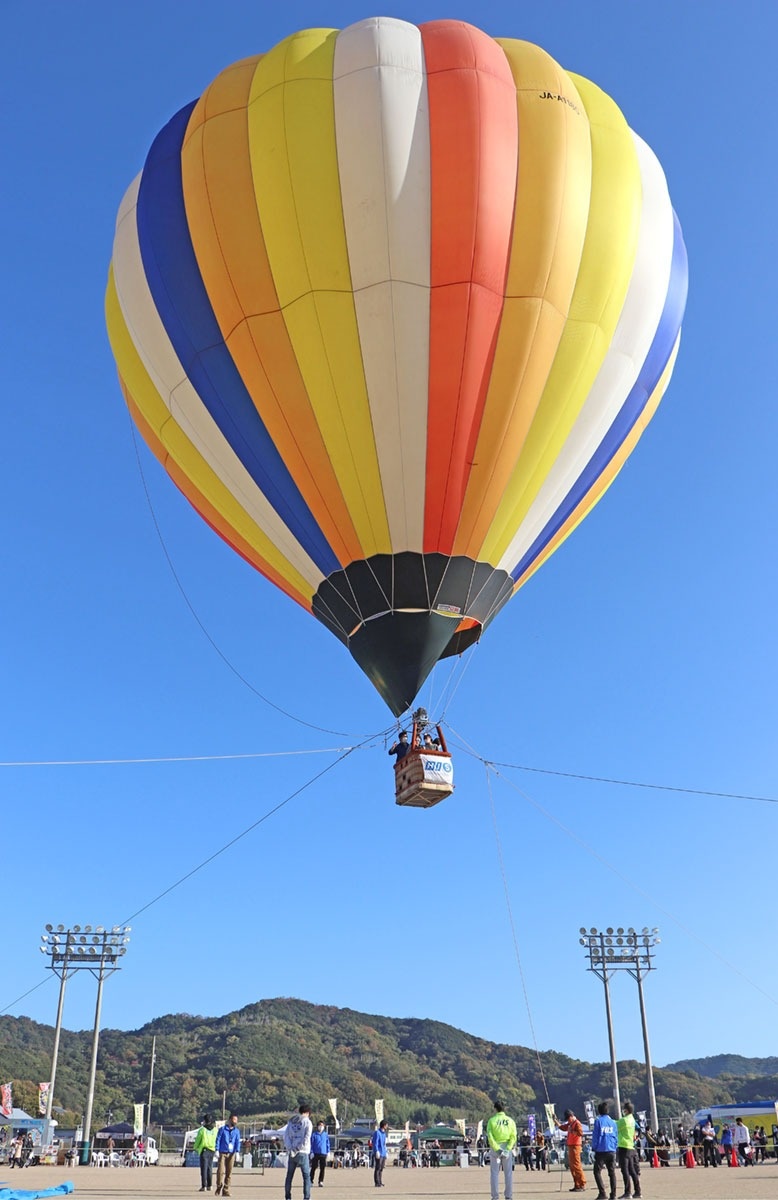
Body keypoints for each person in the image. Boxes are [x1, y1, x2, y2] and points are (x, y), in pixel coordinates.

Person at [263, 1104, 314, 1200]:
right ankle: (306, 1197)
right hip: (302, 1151)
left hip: (291, 1151)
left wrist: (290, 1148)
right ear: (307, 1113)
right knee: (306, 1176)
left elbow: (286, 1136)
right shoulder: (307, 1122)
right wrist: (298, 1148)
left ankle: (288, 1196)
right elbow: (306, 1138)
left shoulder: (291, 1121)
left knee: (289, 1175)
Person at [486, 1100, 517, 1200]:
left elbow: (490, 1137)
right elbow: (513, 1136)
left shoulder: (491, 1121)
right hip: (507, 1145)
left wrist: (497, 1149)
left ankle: (495, 1196)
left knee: (494, 1173)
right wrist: (508, 1148)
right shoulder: (510, 1121)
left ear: (495, 1109)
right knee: (508, 1173)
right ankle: (508, 1195)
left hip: (496, 1148)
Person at [591, 1100, 618, 1200]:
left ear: (599, 1111)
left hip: (601, 1150)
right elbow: (616, 1136)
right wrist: (615, 1147)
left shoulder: (598, 1121)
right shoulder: (613, 1122)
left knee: (597, 1171)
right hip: (611, 1150)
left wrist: (594, 1148)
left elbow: (596, 1136)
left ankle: (602, 1193)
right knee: (612, 1173)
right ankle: (613, 1194)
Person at [555, 1108, 586, 1193]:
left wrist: (572, 1131)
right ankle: (576, 1184)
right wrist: (556, 1121)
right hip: (571, 1146)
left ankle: (582, 1183)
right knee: (572, 1166)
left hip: (576, 1146)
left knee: (576, 1165)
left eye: (568, 1118)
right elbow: (562, 1127)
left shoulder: (577, 1123)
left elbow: (580, 1133)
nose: (568, 1120)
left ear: (572, 1116)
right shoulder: (570, 1123)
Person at [616, 1102, 641, 1198]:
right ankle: (638, 1191)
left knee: (625, 1170)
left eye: (624, 1109)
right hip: (631, 1146)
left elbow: (615, 1124)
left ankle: (627, 1192)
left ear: (626, 1110)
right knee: (632, 1170)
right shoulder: (632, 1120)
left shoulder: (624, 1120)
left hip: (624, 1146)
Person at [215, 1113, 241, 1197]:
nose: (235, 1121)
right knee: (220, 1171)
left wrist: (237, 1152)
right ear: (230, 1120)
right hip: (222, 1152)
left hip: (231, 1153)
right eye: (234, 1120)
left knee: (229, 1173)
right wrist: (217, 1149)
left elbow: (237, 1141)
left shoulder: (236, 1131)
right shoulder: (222, 1129)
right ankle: (219, 1185)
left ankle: (226, 1190)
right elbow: (218, 1139)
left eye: (236, 1120)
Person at [195, 1114, 217, 1193]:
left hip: (204, 1150)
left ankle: (204, 1185)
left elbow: (198, 1140)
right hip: (212, 1150)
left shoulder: (202, 1130)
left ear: (204, 1121)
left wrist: (195, 1147)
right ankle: (210, 1185)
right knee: (209, 1168)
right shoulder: (215, 1130)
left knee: (203, 1169)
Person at [310, 1120, 330, 1188]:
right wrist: (311, 1152)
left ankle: (321, 1181)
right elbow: (311, 1144)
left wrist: (328, 1151)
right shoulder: (314, 1134)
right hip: (315, 1153)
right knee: (313, 1167)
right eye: (319, 1125)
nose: (321, 1127)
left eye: (322, 1125)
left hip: (323, 1153)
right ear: (317, 1126)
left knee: (322, 1168)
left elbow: (328, 1143)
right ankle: (311, 1181)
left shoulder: (325, 1134)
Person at [371, 1120, 388, 1188]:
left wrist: (386, 1151)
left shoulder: (384, 1133)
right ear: (384, 1125)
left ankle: (380, 1182)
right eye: (386, 1125)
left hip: (383, 1152)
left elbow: (384, 1144)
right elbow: (375, 1143)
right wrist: (376, 1151)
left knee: (381, 1168)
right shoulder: (377, 1132)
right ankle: (377, 1182)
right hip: (378, 1152)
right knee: (377, 1168)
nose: (387, 1126)